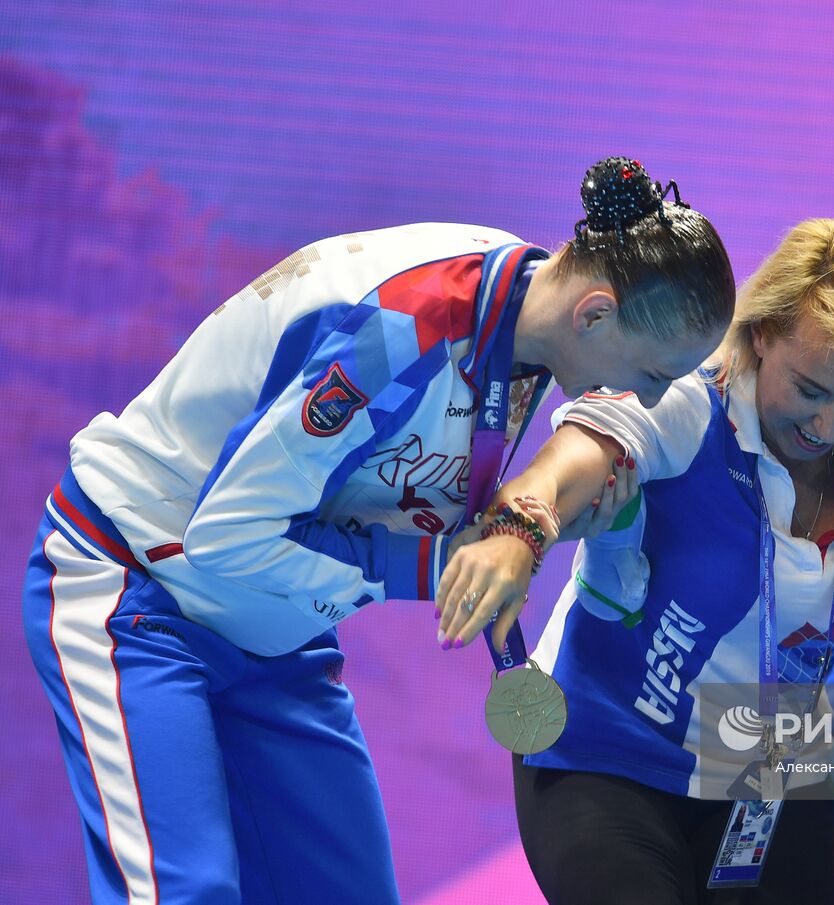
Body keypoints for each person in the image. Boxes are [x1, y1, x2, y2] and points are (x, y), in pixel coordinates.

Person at [21, 156, 735, 904]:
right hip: (139, 594)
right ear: (594, 313)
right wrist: (433, 567)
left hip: (272, 636)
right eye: (654, 374)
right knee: (182, 892)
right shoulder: (397, 333)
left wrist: (503, 544)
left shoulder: (523, 316)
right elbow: (227, 535)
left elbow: (400, 480)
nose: (647, 398)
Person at [434, 218, 834, 904]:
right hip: (606, 755)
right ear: (763, 332)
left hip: (765, 776)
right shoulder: (686, 401)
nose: (827, 426)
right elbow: (581, 455)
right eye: (811, 389)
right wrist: (518, 528)